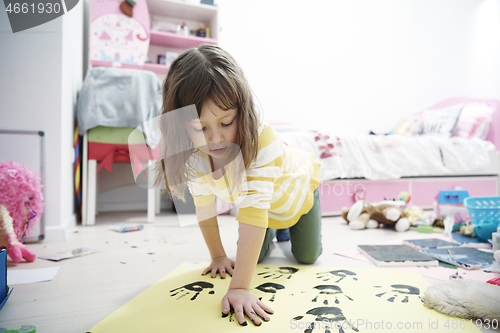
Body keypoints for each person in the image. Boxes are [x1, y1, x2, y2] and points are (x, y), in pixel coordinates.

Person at [155, 44, 322, 326]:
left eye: (226, 122)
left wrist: (240, 288)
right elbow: (205, 208)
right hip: (265, 209)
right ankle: (277, 232)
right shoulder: (196, 157)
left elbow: (253, 216)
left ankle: (289, 229)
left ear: (241, 112)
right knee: (260, 256)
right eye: (200, 128)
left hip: (298, 194)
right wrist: (218, 256)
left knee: (306, 257)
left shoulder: (261, 141)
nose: (215, 138)